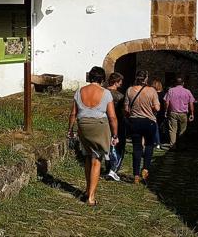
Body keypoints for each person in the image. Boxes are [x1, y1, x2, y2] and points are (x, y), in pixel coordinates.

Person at [68, 66, 118, 205]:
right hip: (99, 126)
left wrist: (70, 129)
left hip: (83, 125)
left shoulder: (79, 91)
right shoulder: (106, 93)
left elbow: (73, 113)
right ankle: (91, 197)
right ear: (102, 79)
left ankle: (87, 189)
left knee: (87, 157)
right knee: (97, 160)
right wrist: (115, 134)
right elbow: (112, 117)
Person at [124, 70, 160, 184]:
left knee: (137, 148)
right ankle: (145, 169)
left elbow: (126, 109)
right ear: (146, 78)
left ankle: (135, 175)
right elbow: (157, 108)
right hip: (149, 122)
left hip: (135, 122)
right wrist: (151, 108)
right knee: (149, 145)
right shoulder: (152, 91)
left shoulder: (129, 90)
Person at [164, 76, 196, 148]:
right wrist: (192, 113)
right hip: (183, 113)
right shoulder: (187, 91)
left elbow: (167, 102)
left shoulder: (171, 90)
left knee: (172, 130)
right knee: (182, 130)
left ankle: (173, 146)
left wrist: (166, 111)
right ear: (183, 83)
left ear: (175, 83)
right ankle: (181, 145)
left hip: (173, 112)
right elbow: (191, 103)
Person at [105, 72, 125, 181]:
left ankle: (107, 167)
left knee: (107, 147)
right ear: (116, 82)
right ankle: (113, 169)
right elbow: (123, 112)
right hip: (117, 121)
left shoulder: (103, 92)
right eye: (120, 81)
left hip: (104, 121)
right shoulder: (119, 96)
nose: (121, 84)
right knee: (118, 146)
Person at [149, 78, 165, 149]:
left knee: (155, 127)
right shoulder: (164, 94)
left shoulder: (153, 94)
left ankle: (157, 142)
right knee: (159, 127)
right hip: (162, 112)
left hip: (154, 112)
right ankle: (160, 141)